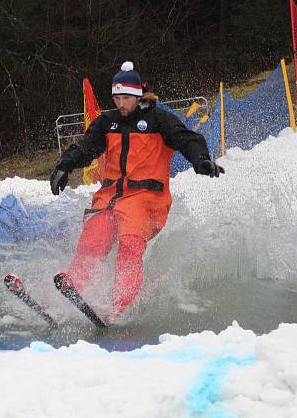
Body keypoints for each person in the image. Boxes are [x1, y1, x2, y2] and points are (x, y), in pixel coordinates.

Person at [50, 61, 224, 322]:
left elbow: (186, 138)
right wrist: (64, 167)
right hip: (110, 199)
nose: (121, 104)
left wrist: (201, 160)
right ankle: (72, 294)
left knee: (130, 245)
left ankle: (120, 306)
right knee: (93, 242)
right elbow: (86, 148)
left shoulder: (158, 119)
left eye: (127, 98)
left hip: (146, 200)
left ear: (139, 94)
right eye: (117, 98)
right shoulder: (107, 122)